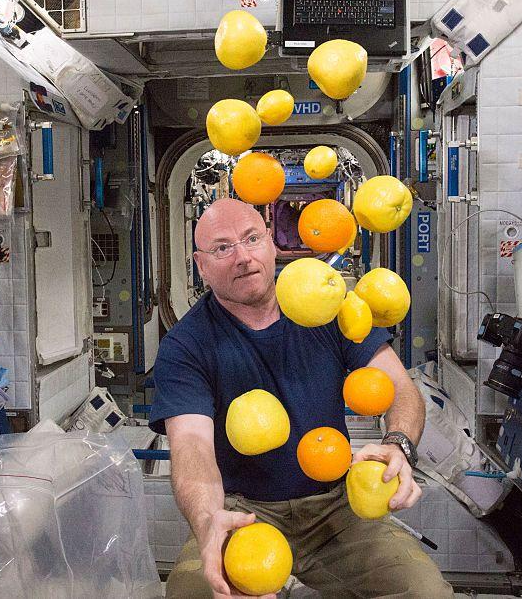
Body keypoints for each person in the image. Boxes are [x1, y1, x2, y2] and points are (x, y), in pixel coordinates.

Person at [150, 198, 452, 598]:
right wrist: (208, 521)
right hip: (244, 511)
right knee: (193, 592)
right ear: (200, 265)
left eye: (252, 238)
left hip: (336, 507)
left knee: (423, 592)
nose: (242, 257)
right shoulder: (185, 346)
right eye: (222, 248)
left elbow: (399, 387)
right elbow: (191, 446)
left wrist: (398, 444)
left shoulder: (331, 308)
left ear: (272, 244)